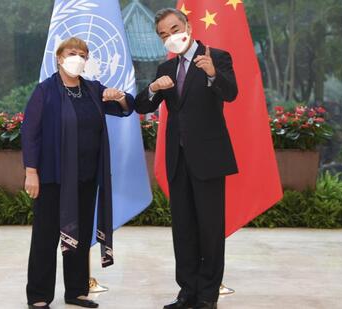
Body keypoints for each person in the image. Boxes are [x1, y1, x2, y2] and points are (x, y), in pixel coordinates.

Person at [134, 8, 238, 309]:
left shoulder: (216, 56)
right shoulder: (164, 69)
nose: (170, 37)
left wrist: (212, 74)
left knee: (210, 230)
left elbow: (231, 93)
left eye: (174, 29)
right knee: (184, 230)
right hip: (177, 161)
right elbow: (143, 105)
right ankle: (187, 292)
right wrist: (153, 88)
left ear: (188, 26)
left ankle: (207, 295)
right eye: (163, 35)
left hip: (209, 159)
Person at [22, 37, 134, 309]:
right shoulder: (45, 91)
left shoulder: (93, 89)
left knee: (80, 235)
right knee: (46, 237)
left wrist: (117, 97)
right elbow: (30, 133)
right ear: (59, 58)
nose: (78, 58)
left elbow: (127, 106)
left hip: (86, 177)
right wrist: (31, 173)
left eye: (83, 54)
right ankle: (38, 295)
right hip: (52, 177)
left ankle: (76, 291)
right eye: (72, 53)